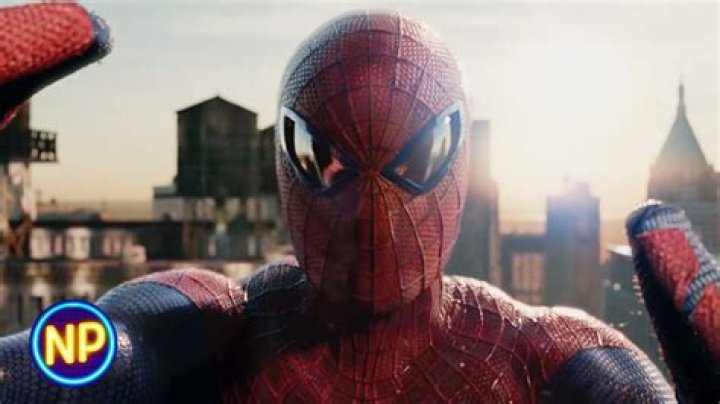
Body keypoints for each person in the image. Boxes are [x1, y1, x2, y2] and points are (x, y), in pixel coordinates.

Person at [0, 4, 717, 403]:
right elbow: (79, 361)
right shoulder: (210, 320)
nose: (371, 210)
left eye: (414, 162)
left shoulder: (543, 353)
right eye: (327, 161)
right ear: (284, 158)